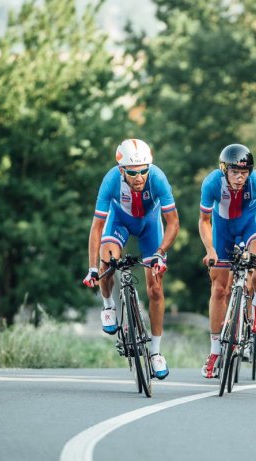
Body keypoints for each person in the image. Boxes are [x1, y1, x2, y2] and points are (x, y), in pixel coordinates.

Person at [83, 139, 180, 380]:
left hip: (150, 226)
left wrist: (160, 252)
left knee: (155, 288)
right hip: (120, 222)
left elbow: (173, 223)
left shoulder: (157, 178)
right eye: (133, 172)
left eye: (144, 170)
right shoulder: (110, 181)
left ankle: (156, 353)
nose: (139, 177)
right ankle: (108, 306)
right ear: (121, 170)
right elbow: (96, 228)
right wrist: (92, 268)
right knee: (107, 261)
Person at [198, 144, 256, 379]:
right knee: (219, 289)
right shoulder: (212, 183)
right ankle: (215, 352)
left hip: (249, 225)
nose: (239, 177)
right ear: (224, 170)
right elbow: (204, 221)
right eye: (234, 172)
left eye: (244, 173)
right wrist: (210, 249)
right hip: (222, 229)